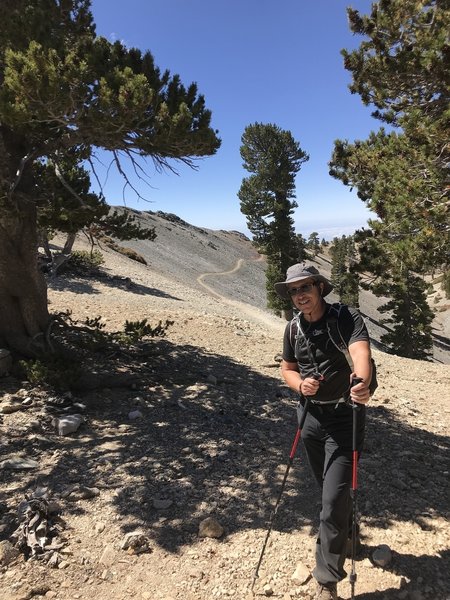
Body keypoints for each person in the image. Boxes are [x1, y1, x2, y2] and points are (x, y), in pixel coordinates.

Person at [274, 263, 373, 600]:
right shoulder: (292, 329)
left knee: (331, 501)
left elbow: (361, 353)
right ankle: (348, 534)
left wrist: (361, 383)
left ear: (319, 287)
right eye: (294, 290)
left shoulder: (346, 317)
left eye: (306, 287)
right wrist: (300, 385)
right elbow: (286, 369)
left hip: (346, 417)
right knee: (328, 488)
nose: (300, 295)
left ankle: (326, 581)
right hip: (311, 420)